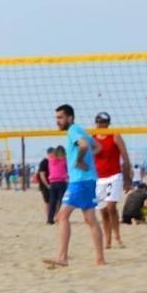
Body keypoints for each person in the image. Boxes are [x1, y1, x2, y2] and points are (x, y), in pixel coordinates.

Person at [45, 104, 105, 267]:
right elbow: (98, 147)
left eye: (60, 117)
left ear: (70, 118)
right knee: (90, 218)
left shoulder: (73, 131)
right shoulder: (80, 129)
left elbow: (85, 146)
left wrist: (79, 161)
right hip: (88, 179)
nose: (58, 121)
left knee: (62, 216)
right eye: (57, 118)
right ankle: (100, 259)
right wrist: (87, 161)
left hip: (79, 180)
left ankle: (62, 257)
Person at [92, 112, 133, 250]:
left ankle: (117, 237)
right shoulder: (92, 137)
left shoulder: (115, 136)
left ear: (108, 123)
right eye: (98, 122)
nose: (100, 125)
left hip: (114, 175)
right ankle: (108, 240)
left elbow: (125, 157)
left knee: (111, 207)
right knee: (103, 211)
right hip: (99, 178)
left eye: (103, 122)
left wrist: (128, 180)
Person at [46, 146, 68, 224]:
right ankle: (59, 217)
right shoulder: (63, 160)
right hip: (60, 182)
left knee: (53, 201)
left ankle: (50, 219)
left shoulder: (51, 160)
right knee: (61, 201)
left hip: (53, 182)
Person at [34, 151, 53, 223]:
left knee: (55, 201)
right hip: (45, 185)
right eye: (52, 153)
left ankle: (55, 216)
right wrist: (46, 184)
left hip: (52, 183)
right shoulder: (44, 162)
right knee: (47, 201)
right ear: (48, 154)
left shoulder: (53, 161)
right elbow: (42, 174)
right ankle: (48, 217)